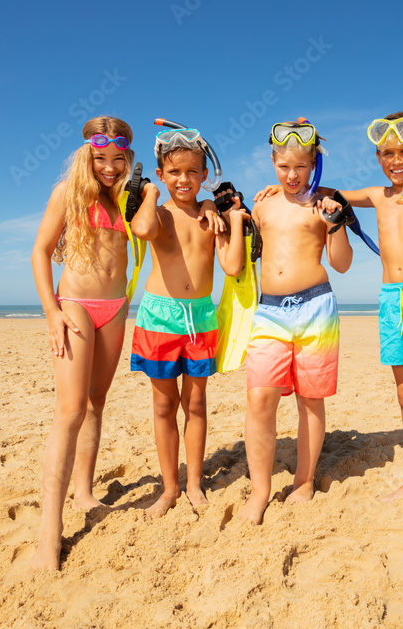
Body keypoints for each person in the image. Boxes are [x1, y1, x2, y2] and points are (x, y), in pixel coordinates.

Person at [255, 111, 403, 526]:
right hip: (393, 301)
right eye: (387, 153)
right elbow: (319, 188)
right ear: (378, 156)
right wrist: (280, 187)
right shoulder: (378, 195)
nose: (396, 160)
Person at [30, 116, 149, 570]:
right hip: (76, 303)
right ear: (87, 157)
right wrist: (52, 312)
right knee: (71, 409)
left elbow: (155, 226)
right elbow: (41, 251)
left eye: (119, 159)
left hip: (116, 308)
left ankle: (84, 490)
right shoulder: (68, 195)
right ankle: (49, 532)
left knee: (97, 402)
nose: (110, 167)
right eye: (101, 159)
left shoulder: (128, 201)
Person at [238, 120, 352, 525]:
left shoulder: (323, 203)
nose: (292, 175)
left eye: (301, 166)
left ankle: (304, 481)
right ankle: (260, 490)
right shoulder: (263, 205)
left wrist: (334, 223)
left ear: (314, 164)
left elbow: (341, 264)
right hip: (269, 311)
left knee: (310, 398)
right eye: (284, 166)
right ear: (272, 162)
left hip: (316, 308)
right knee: (260, 397)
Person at [129, 126, 246, 517]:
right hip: (159, 317)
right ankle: (169, 488)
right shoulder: (158, 213)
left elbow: (231, 266)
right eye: (174, 172)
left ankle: (194, 483)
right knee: (164, 407)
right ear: (161, 174)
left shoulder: (211, 219)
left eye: (192, 172)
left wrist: (231, 216)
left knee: (195, 404)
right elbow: (142, 230)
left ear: (203, 175)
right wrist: (149, 193)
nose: (184, 180)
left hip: (200, 318)